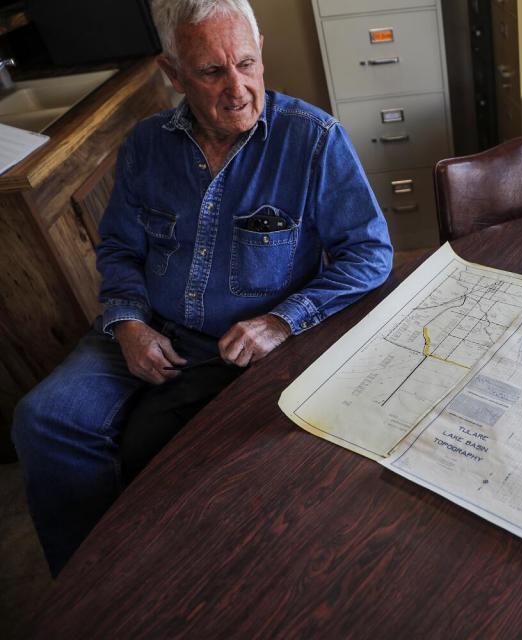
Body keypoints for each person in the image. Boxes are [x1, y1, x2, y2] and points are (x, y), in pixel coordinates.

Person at [11, 0, 393, 577]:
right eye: (212, 72)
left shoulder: (313, 140)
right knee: (44, 420)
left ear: (261, 49)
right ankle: (86, 586)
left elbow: (370, 253)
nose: (237, 88)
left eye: (245, 62)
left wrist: (282, 320)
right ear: (173, 73)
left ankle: (151, 573)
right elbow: (118, 249)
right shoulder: (145, 146)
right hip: (145, 324)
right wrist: (130, 325)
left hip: (236, 346)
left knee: (171, 462)